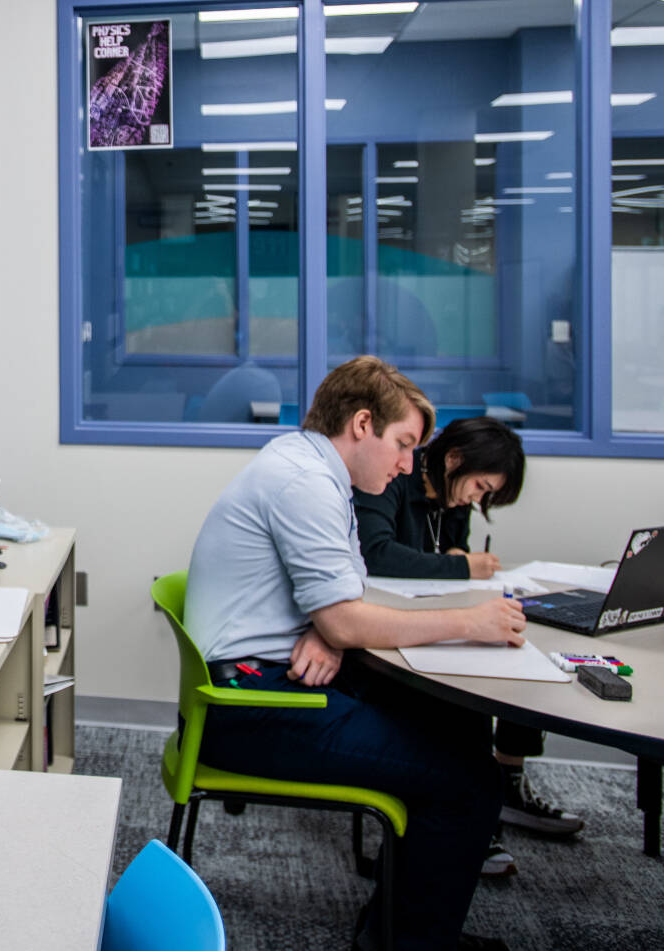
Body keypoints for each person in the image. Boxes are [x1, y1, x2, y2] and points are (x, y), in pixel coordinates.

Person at [186, 356, 521, 951]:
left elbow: (347, 588)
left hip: (270, 674)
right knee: (469, 782)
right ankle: (408, 943)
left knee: (455, 723)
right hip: (251, 705)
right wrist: (469, 622)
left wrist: (326, 628)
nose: (406, 463)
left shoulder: (316, 471)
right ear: (362, 424)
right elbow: (345, 613)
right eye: (402, 444)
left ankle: (404, 927)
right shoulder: (307, 484)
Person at [354, 416, 585, 881]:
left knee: (514, 645)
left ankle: (504, 783)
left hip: (435, 617)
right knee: (466, 691)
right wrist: (459, 569)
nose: (476, 499)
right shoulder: (394, 475)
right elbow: (375, 553)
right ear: (452, 460)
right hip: (387, 634)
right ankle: (472, 809)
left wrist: (457, 564)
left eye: (487, 495)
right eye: (479, 486)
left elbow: (451, 552)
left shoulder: (453, 494)